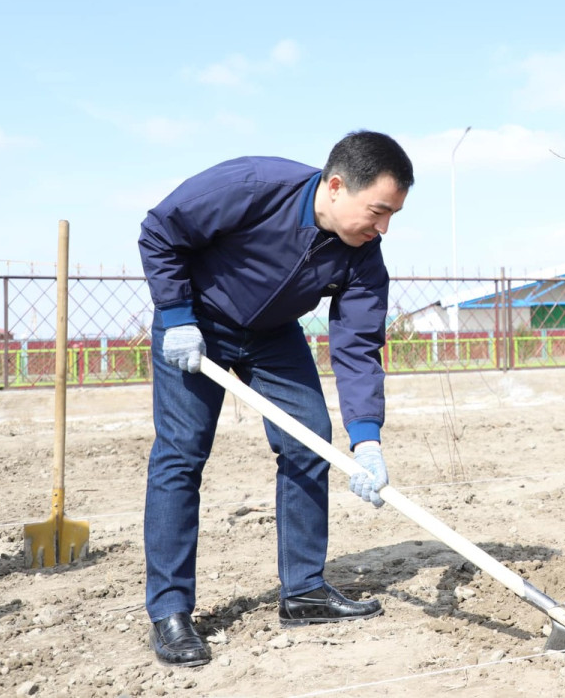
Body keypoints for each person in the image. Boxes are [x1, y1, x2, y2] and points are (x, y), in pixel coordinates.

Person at [138, 130, 414, 667]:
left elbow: (357, 349)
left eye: (392, 216)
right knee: (181, 454)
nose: (382, 227)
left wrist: (368, 441)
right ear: (337, 187)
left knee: (309, 442)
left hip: (273, 335)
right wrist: (175, 316)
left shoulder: (363, 256)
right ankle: (170, 611)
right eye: (378, 211)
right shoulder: (254, 185)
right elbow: (161, 230)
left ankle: (305, 590)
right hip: (196, 322)